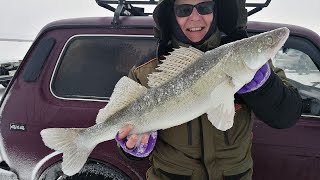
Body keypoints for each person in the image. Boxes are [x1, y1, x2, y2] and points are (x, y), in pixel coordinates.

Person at [115, 0, 303, 179]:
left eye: (204, 8)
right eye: (184, 10)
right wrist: (132, 148)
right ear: (171, 15)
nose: (195, 17)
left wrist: (265, 87)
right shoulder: (145, 72)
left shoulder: (255, 65)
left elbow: (287, 116)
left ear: (216, 9)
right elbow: (122, 138)